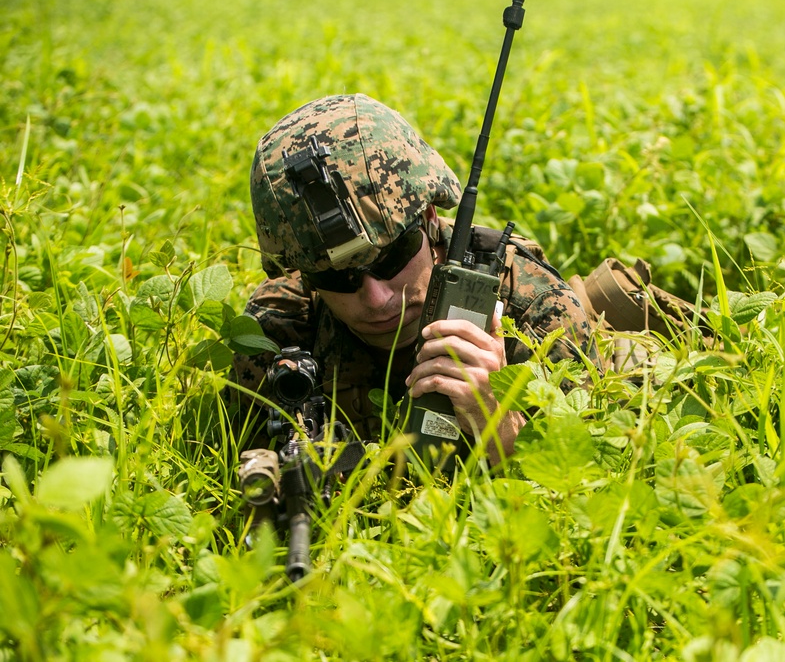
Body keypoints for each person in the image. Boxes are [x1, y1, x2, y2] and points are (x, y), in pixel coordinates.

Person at [229, 93, 596, 466]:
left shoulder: (536, 309)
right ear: (304, 274)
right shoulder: (279, 331)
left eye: (391, 257)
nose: (375, 298)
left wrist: (496, 420)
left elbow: (576, 487)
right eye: (338, 277)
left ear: (430, 218)